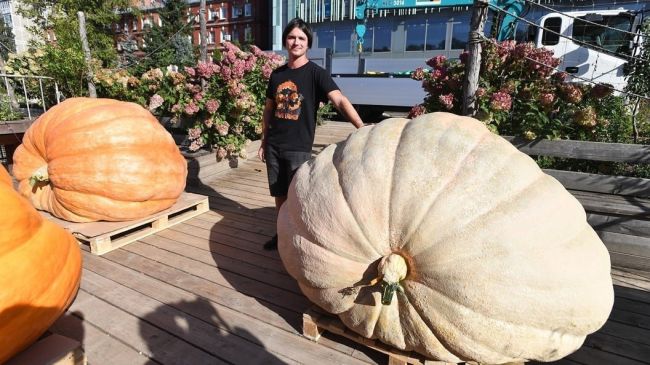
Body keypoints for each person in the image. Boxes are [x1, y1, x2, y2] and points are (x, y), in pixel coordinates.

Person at [259, 18, 364, 250]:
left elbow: (339, 100)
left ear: (308, 44)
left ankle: (301, 236)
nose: (296, 42)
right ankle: (281, 234)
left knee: (299, 194)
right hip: (274, 144)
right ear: (285, 41)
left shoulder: (316, 74)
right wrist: (264, 140)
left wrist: (362, 127)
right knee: (279, 194)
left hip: (299, 146)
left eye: (301, 38)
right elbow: (269, 109)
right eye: (292, 37)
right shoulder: (276, 75)